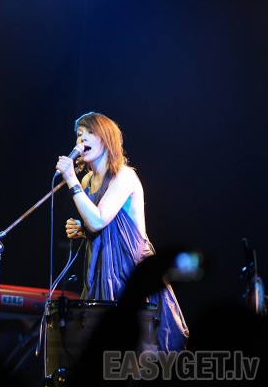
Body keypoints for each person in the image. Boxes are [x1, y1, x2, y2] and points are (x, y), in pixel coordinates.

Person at [55, 112, 189, 353]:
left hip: (129, 270)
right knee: (102, 347)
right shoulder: (86, 181)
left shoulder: (124, 176)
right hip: (100, 268)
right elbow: (94, 225)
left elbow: (98, 220)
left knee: (135, 347)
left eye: (89, 133)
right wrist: (80, 229)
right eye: (79, 134)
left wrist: (71, 180)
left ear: (106, 139)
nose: (81, 139)